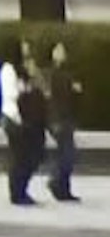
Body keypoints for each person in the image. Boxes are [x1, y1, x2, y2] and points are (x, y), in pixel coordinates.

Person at [0, 48, 46, 207]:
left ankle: (21, 188)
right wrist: (26, 88)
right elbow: (11, 94)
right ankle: (17, 193)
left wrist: (33, 76)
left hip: (29, 119)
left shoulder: (27, 68)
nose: (26, 48)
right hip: (14, 118)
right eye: (23, 45)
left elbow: (43, 90)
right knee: (20, 157)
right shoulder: (8, 69)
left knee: (34, 155)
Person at [36, 40, 81, 206]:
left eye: (63, 49)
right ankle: (56, 181)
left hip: (66, 117)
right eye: (58, 49)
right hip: (57, 118)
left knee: (67, 152)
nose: (62, 52)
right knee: (68, 152)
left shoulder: (65, 71)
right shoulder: (49, 73)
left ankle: (63, 188)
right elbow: (50, 97)